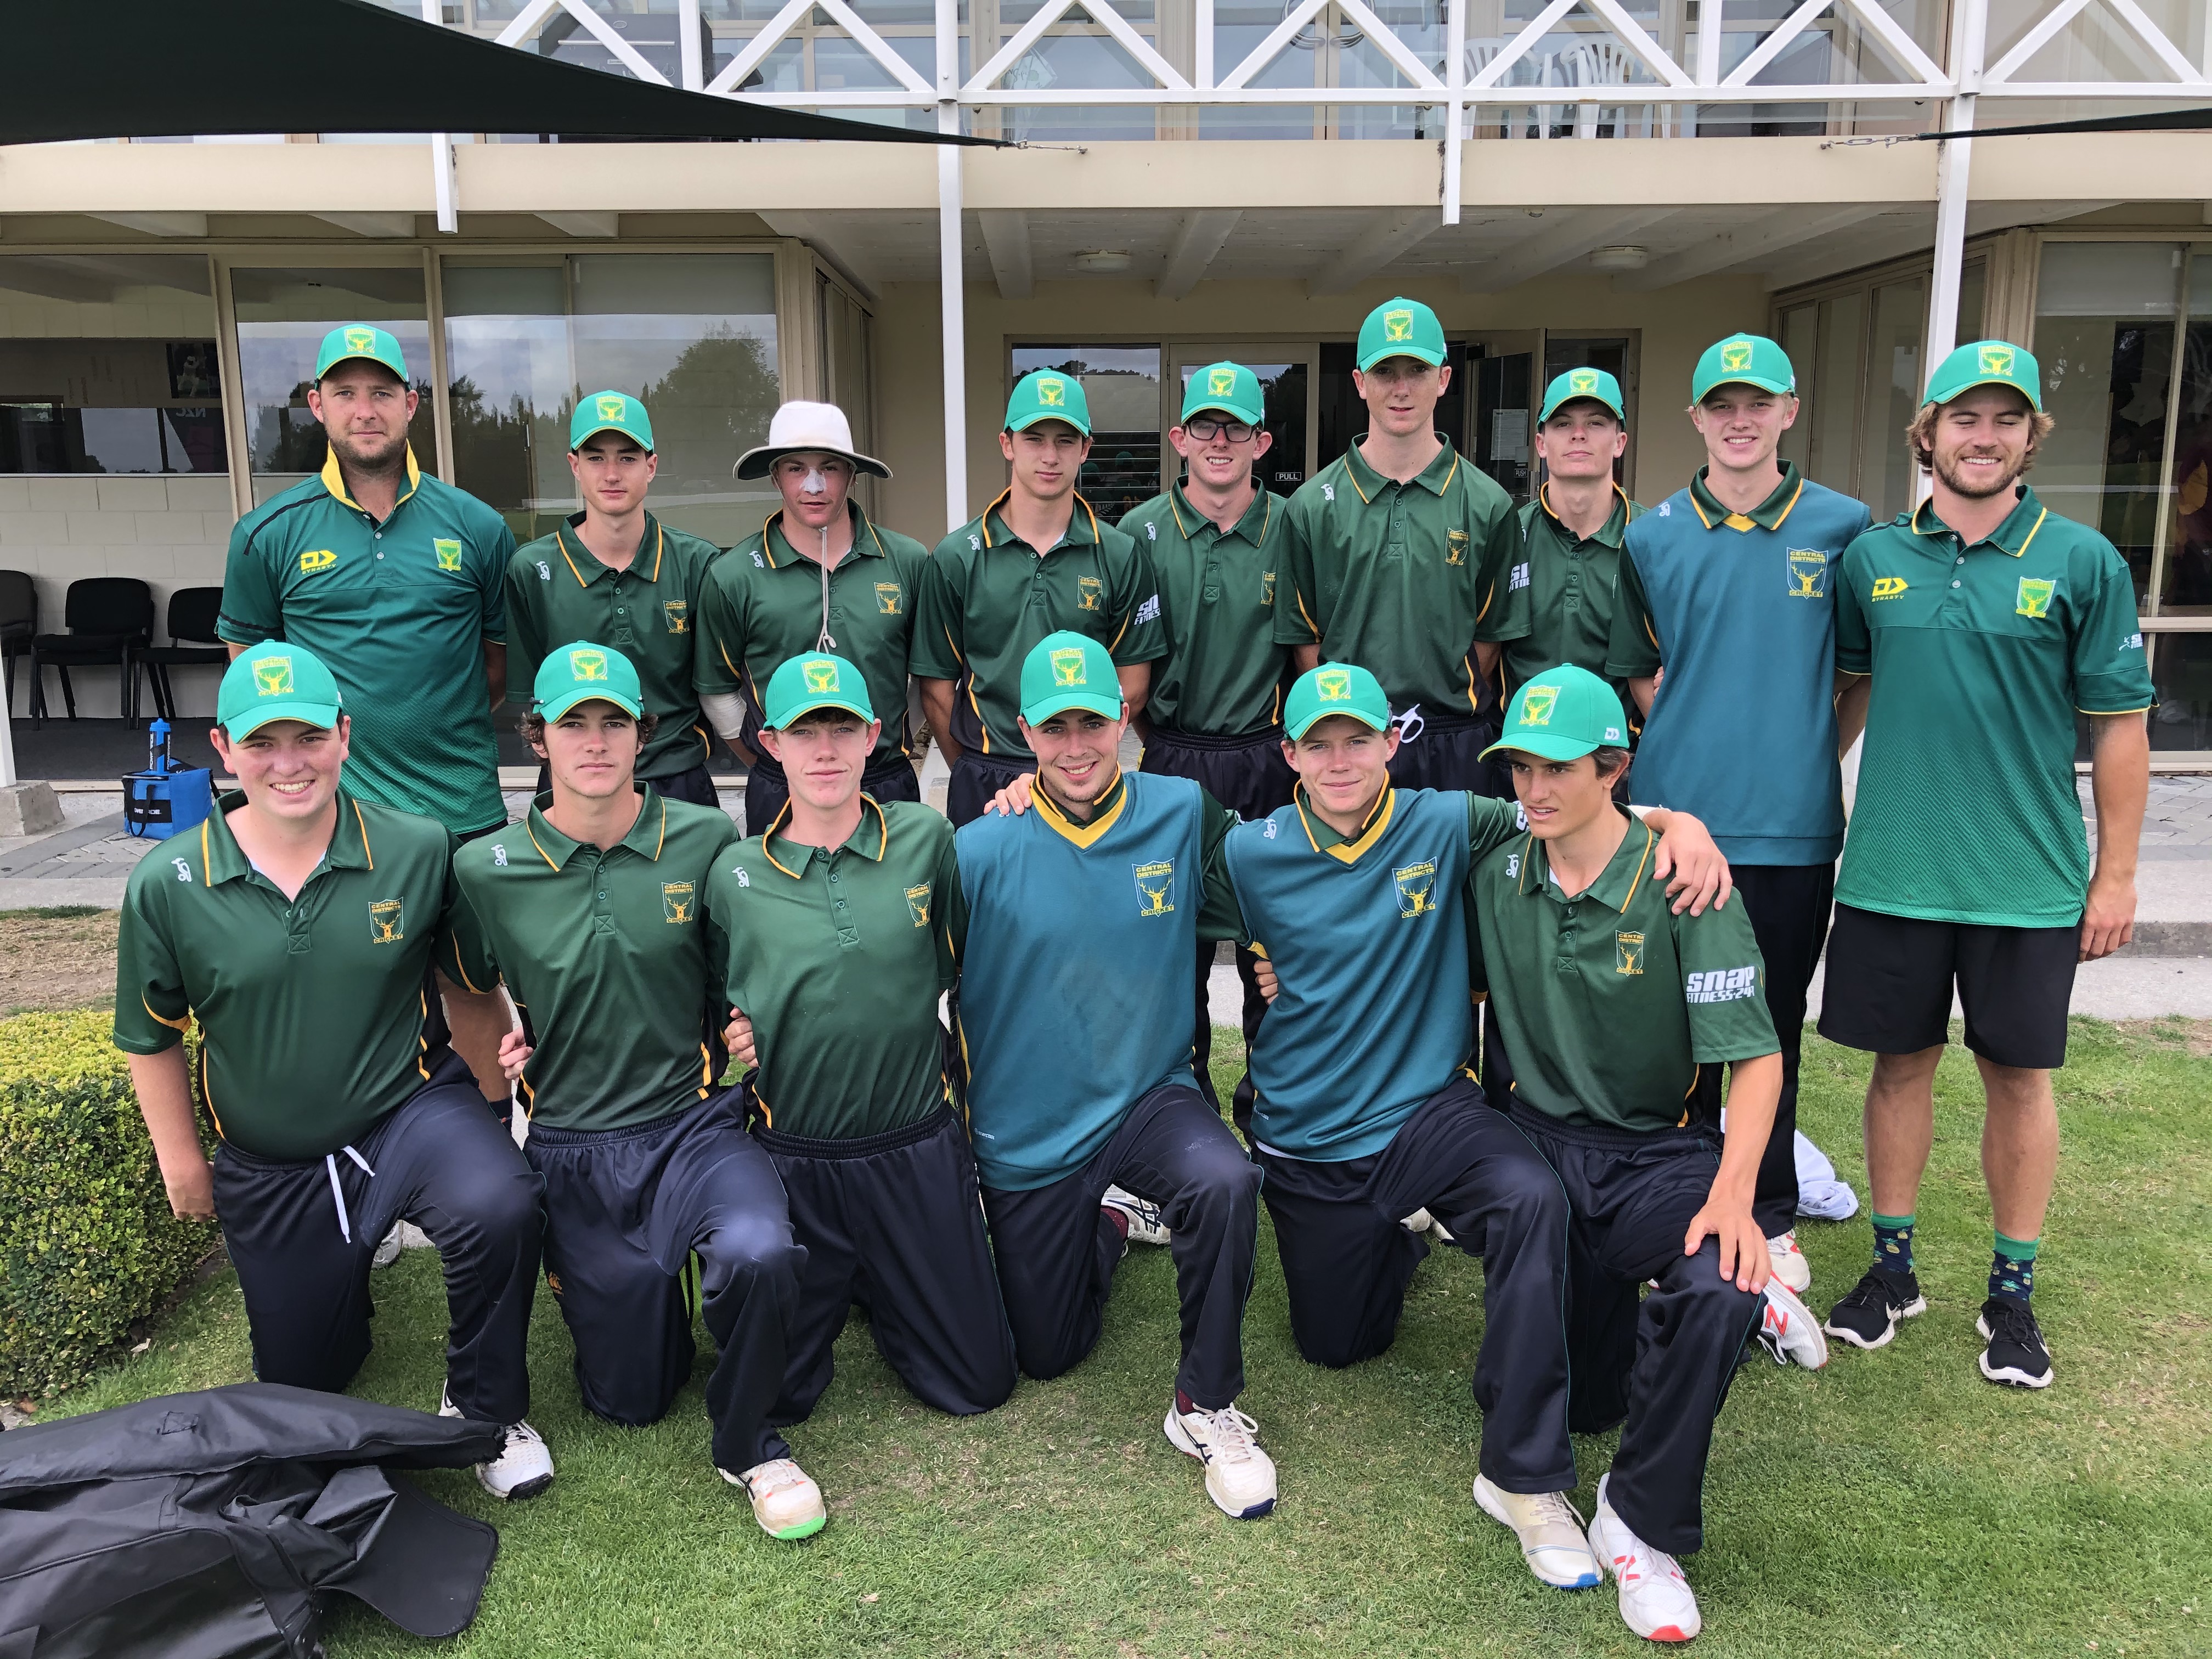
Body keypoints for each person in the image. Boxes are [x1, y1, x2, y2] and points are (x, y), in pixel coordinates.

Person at [1222, 661, 1745, 1612]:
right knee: (1338, 1345)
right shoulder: (1246, 852)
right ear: (1288, 755)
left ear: (1392, 743)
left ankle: (1520, 1475)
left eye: (1358, 739)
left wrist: (1683, 823)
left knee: (1527, 1192)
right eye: (1317, 744)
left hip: (1428, 1111)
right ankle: (1399, 1241)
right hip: (1307, 1134)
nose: (1340, 761)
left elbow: (1587, 814)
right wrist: (1266, 960)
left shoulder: (1452, 821)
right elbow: (1163, 898)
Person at [113, 642, 552, 1502]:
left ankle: (488, 1410)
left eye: (309, 737)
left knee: (500, 1202)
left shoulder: (417, 848)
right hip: (273, 1160)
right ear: (224, 748)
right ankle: (344, 1290)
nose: (290, 763)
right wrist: (182, 1161)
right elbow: (149, 1035)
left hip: (406, 1114)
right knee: (309, 1375)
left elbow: (469, 986)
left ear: (344, 737)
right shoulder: (167, 882)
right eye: (263, 742)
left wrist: (498, 1120)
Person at [1820, 341, 2152, 1390]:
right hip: (1892, 869)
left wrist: (2116, 874)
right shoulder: (1871, 557)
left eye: (2006, 418)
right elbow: (1848, 690)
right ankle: (1891, 1268)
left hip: (2025, 877)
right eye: (1964, 417)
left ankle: (2011, 1291)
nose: (1984, 436)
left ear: (2028, 437)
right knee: (1897, 1068)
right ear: (1928, 433)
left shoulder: (2082, 561)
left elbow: (2120, 726)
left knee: (2017, 1078)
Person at [1469, 667, 1824, 1643]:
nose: (1535, 789)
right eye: (1521, 768)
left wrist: (1736, 1196)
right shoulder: (1497, 867)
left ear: (1612, 768)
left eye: (1557, 768)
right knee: (1587, 1403)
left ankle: (1637, 1522)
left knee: (1720, 1278)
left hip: (1655, 1152)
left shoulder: (1684, 883)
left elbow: (1756, 1058)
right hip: (1537, 1149)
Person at [442, 643, 819, 1539]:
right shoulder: (485, 867)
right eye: (572, 722)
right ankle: (660, 1286)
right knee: (633, 1399)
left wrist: (745, 1026)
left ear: (643, 735)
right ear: (537, 737)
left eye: (614, 721)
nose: (595, 740)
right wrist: (501, 1077)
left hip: (695, 1126)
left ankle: (749, 1444)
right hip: (573, 1144)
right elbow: (468, 987)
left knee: (760, 1251)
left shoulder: (702, 838)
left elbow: (735, 973)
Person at [951, 631, 1273, 1519]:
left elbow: (1273, 872)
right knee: (1048, 1352)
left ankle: (1204, 1401)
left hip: (1146, 1095)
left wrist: (1270, 950)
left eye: (1092, 722)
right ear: (1024, 731)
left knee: (1225, 1178)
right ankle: (1110, 1219)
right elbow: (903, 974)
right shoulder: (978, 849)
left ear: (1124, 718)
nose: (1076, 746)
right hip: (1030, 1127)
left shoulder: (1180, 807)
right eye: (1054, 728)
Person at [1605, 334, 1874, 1296]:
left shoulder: (1843, 527)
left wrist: (1803, 753)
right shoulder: (1651, 534)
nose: (1740, 419)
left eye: (1758, 402)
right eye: (1721, 404)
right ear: (1696, 419)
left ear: (1789, 411)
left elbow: (1856, 675)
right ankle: (1678, 1199)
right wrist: (1692, 737)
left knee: (1771, 1025)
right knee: (1673, 1029)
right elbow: (1641, 669)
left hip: (1790, 830)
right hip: (1674, 822)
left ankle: (1769, 1209)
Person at [707, 652, 1017, 1453]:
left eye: (842, 728)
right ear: (770, 744)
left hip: (914, 1144)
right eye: (804, 731)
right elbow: (713, 992)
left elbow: (955, 959)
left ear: (874, 736)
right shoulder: (735, 875)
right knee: (779, 1396)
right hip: (796, 1158)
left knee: (978, 1383)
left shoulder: (924, 838)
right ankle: (850, 1276)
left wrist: (1025, 791)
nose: (825, 750)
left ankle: (891, 1278)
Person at [216, 322, 515, 1109]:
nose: (365, 409)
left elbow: (492, 671)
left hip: (461, 810)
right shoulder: (267, 534)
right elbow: (255, 686)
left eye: (382, 391)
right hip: (339, 821)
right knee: (349, 992)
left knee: (474, 987)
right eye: (345, 392)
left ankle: (493, 1148)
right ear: (317, 405)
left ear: (412, 404)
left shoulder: (477, 527)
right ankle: (363, 1151)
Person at [1116, 360, 1296, 1126]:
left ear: (1261, 441)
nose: (1219, 441)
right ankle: (1182, 1114)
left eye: (1236, 427)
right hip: (1174, 756)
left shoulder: (1293, 526)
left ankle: (1273, 1109)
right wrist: (1162, 743)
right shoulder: (1139, 532)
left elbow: (1308, 656)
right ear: (1179, 437)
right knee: (1172, 947)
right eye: (1204, 426)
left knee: (1271, 945)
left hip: (1266, 757)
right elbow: (1130, 670)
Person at [1273, 297, 1515, 794]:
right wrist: (1348, 720)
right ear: (1360, 382)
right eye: (1385, 371)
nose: (1401, 389)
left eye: (1417, 370)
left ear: (1443, 379)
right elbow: (1305, 640)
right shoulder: (1311, 506)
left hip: (1452, 741)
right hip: (1350, 743)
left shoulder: (1489, 503)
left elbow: (1490, 638)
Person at [912, 374, 1168, 825]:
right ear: (1007, 444)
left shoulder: (1120, 554)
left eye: (1065, 441)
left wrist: (1070, 759)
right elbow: (936, 691)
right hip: (987, 774)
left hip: (1080, 773)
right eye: (1034, 439)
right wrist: (972, 767)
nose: (1050, 456)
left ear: (1085, 450)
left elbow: (1133, 684)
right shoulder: (957, 557)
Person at [695, 401, 930, 831]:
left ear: (852, 474)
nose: (814, 485)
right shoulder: (733, 575)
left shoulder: (908, 561)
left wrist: (884, 743)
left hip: (884, 781)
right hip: (780, 786)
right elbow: (717, 691)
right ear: (775, 477)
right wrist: (770, 759)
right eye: (796, 469)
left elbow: (924, 676)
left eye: (829, 468)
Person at [506, 392, 724, 809]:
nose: (611, 474)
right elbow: (532, 695)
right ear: (574, 466)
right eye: (595, 458)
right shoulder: (532, 569)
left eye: (627, 458)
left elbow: (716, 687)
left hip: (675, 779)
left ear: (651, 467)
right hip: (573, 783)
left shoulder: (697, 563)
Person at [1477, 368, 1644, 711]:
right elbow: (1485, 654)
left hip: (1620, 741)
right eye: (1563, 424)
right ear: (1541, 444)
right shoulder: (1508, 533)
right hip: (1521, 736)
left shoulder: (1652, 538)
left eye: (1596, 423)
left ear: (1619, 443)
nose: (1579, 435)